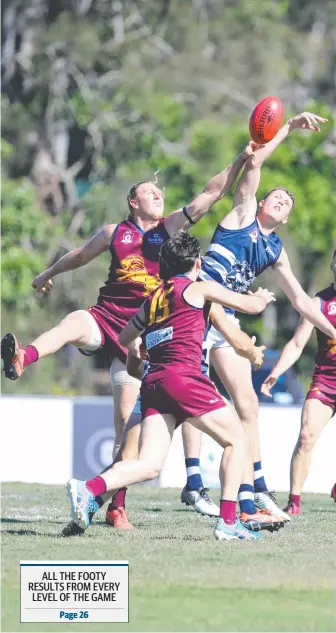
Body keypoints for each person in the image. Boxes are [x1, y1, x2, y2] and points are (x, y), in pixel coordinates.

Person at [1, 146, 253, 526]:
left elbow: (210, 193)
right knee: (71, 323)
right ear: (133, 201)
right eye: (151, 192)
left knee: (126, 429)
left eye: (160, 193)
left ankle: (115, 505)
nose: (159, 195)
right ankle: (23, 358)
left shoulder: (168, 230)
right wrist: (46, 274)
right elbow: (79, 256)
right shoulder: (114, 232)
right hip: (107, 319)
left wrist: (241, 158)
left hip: (138, 335)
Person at [66, 232, 277, 541]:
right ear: (196, 262)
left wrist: (140, 351)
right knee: (237, 441)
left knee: (148, 465)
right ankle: (229, 522)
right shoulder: (198, 287)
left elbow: (124, 340)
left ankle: (89, 489)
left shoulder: (154, 298)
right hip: (184, 378)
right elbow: (249, 306)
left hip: (154, 383)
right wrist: (262, 296)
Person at [198, 111, 336, 521]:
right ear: (261, 202)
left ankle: (255, 491)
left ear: (287, 218)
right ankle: (126, 490)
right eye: (276, 196)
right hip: (196, 309)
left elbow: (302, 302)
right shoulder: (241, 215)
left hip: (224, 319)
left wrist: (332, 330)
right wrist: (288, 129)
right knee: (161, 407)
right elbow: (254, 163)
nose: (280, 200)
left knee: (249, 404)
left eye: (287, 202)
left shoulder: (275, 251)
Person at [261, 249, 336, 515]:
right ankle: (294, 502)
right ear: (332, 263)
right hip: (327, 381)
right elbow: (296, 344)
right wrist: (276, 371)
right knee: (305, 436)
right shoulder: (318, 303)